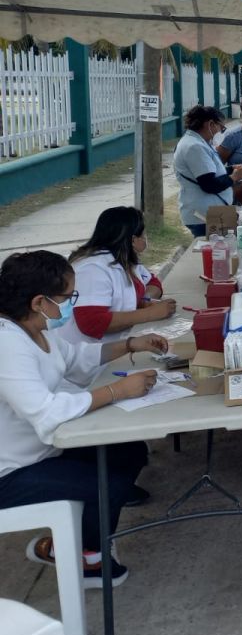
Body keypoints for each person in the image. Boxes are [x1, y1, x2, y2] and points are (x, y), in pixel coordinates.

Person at [0, 251, 167, 589]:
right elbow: (46, 411)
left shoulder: (36, 329)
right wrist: (118, 391)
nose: (70, 305)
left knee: (129, 452)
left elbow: (77, 359)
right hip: (12, 471)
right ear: (38, 302)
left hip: (47, 449)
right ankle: (84, 557)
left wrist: (131, 344)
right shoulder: (7, 343)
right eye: (66, 297)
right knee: (109, 487)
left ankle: (74, 543)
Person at [61, 207, 177, 347]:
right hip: (90, 356)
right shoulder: (92, 269)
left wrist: (143, 300)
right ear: (133, 240)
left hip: (119, 345)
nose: (146, 237)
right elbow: (91, 322)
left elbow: (153, 282)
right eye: (144, 233)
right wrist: (150, 313)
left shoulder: (123, 259)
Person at [173, 105, 242, 237]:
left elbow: (209, 171)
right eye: (221, 128)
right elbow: (209, 184)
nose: (219, 132)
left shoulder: (199, 142)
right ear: (210, 124)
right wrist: (234, 177)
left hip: (214, 212)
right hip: (206, 215)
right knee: (217, 253)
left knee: (224, 251)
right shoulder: (194, 146)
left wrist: (232, 169)